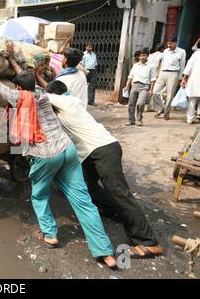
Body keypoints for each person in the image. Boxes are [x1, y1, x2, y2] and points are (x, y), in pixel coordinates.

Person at [0, 43, 117, 269]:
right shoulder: (42, 93)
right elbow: (24, 76)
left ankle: (50, 234)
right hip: (67, 150)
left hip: (45, 154)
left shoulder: (18, 97)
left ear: (20, 89)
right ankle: (105, 252)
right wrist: (11, 59)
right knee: (84, 202)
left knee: (40, 195)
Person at [40, 78, 163, 259]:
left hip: (103, 150)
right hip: (91, 153)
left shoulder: (67, 102)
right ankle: (114, 211)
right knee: (87, 186)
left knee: (120, 193)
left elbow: (39, 94)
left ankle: (149, 242)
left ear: (55, 95)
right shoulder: (70, 104)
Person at [153, 35, 187, 120]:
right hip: (163, 73)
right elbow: (160, 61)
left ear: (176, 43)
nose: (169, 45)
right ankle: (161, 108)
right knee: (155, 91)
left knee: (170, 95)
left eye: (171, 43)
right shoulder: (165, 51)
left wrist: (180, 78)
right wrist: (159, 73)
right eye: (168, 43)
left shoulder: (182, 52)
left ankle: (166, 114)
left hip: (173, 74)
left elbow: (182, 66)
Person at [125, 49, 156, 126]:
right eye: (141, 56)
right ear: (139, 57)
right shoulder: (135, 65)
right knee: (131, 104)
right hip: (135, 85)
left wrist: (151, 90)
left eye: (144, 55)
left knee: (141, 103)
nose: (142, 57)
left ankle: (139, 119)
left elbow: (152, 78)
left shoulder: (151, 66)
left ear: (147, 56)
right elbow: (130, 76)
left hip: (144, 86)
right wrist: (127, 86)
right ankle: (131, 120)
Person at [181, 39, 200, 124]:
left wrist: (184, 78)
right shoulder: (196, 53)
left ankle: (190, 118)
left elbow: (189, 66)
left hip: (194, 81)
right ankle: (199, 113)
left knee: (192, 100)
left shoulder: (196, 54)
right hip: (195, 80)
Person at [146, 43, 165, 112]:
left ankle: (148, 106)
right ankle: (152, 106)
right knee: (156, 91)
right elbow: (160, 65)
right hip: (157, 74)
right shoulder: (163, 55)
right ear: (163, 49)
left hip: (149, 74)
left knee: (150, 90)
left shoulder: (150, 55)